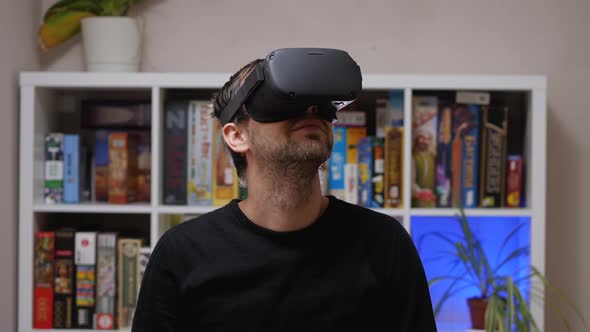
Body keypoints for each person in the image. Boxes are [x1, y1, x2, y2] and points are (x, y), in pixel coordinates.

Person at [132, 55, 437, 332]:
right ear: (236, 136)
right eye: (282, 97)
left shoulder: (384, 243)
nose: (311, 109)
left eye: (319, 101)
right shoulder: (183, 253)